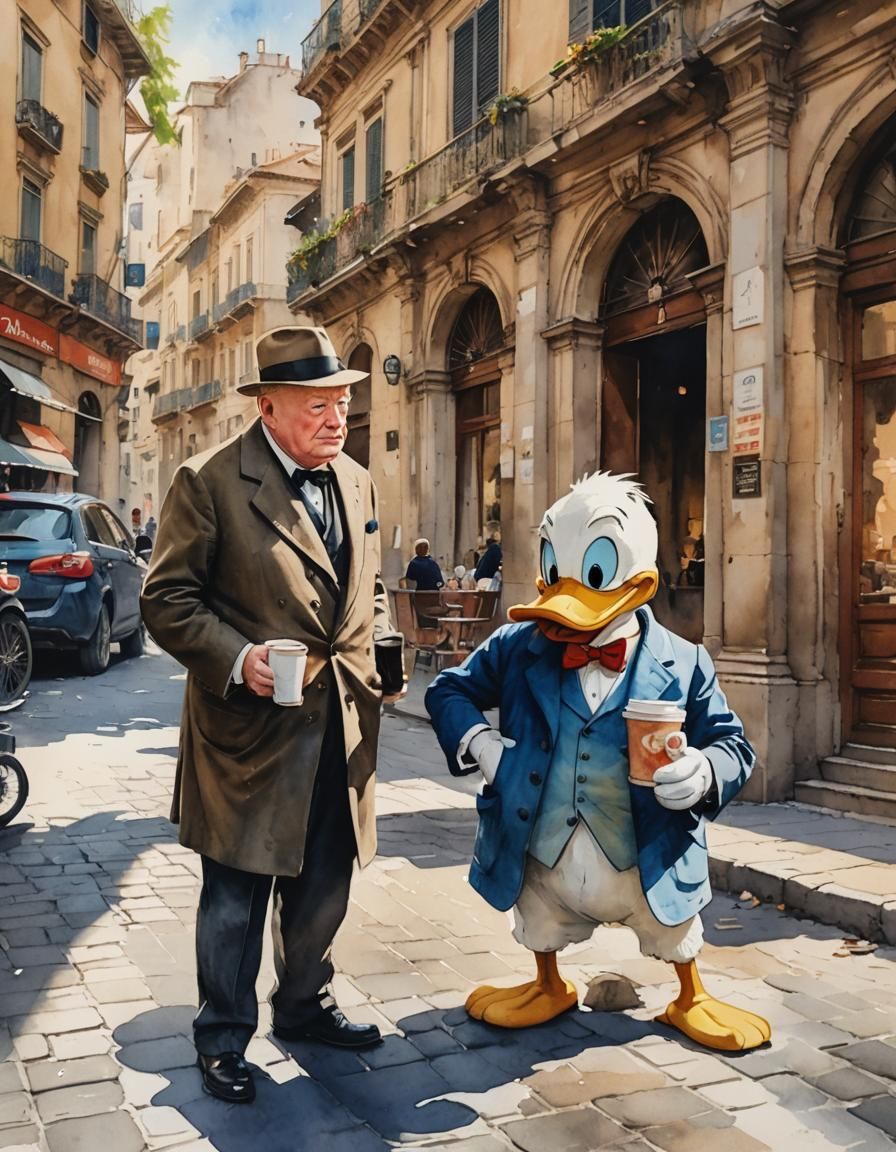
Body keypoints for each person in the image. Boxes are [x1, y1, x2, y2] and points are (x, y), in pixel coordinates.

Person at [140, 325, 403, 1105]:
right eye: (318, 405)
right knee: (236, 895)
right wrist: (238, 659)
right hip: (249, 736)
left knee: (326, 883)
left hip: (342, 728)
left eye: (343, 404)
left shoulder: (356, 481)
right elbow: (166, 600)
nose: (336, 419)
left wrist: (384, 647)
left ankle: (303, 1005)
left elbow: (370, 588)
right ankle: (223, 1036)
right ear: (271, 407)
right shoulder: (209, 480)